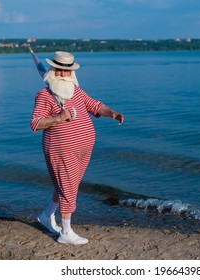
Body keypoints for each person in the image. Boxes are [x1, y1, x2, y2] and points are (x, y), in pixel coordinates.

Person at [30, 51, 124, 245]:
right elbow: (35, 123)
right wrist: (59, 118)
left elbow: (95, 105)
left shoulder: (77, 92)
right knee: (68, 187)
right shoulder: (45, 95)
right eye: (60, 71)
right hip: (59, 148)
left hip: (82, 149)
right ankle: (65, 232)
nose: (64, 75)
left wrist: (111, 112)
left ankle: (47, 216)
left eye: (67, 71)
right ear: (53, 70)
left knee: (67, 185)